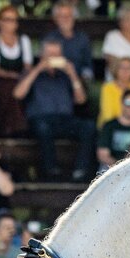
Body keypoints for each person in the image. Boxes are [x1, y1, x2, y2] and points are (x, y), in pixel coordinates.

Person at [13, 39, 95, 181]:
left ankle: (80, 171)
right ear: (42, 55)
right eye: (50, 54)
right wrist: (38, 68)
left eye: (57, 54)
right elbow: (18, 94)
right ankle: (51, 172)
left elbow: (81, 100)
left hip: (65, 120)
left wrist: (72, 74)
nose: (53, 57)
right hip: (40, 119)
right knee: (43, 128)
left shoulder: (65, 76)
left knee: (88, 127)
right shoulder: (32, 72)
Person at [0, 5, 31, 137]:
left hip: (20, 80)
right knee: (7, 90)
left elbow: (27, 66)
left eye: (13, 20)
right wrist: (13, 75)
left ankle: (13, 128)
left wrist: (22, 78)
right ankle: (13, 129)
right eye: (7, 19)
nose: (11, 24)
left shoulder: (24, 40)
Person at [42, 2, 93, 82]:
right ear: (55, 19)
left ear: (74, 18)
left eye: (69, 16)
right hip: (55, 83)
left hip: (77, 83)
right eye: (62, 16)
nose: (66, 19)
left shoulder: (83, 39)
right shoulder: (49, 38)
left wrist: (82, 80)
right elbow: (44, 66)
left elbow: (88, 67)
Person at [98, 57, 130, 127]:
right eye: (121, 67)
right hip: (110, 127)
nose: (125, 71)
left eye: (129, 68)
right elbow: (108, 115)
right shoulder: (107, 88)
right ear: (116, 70)